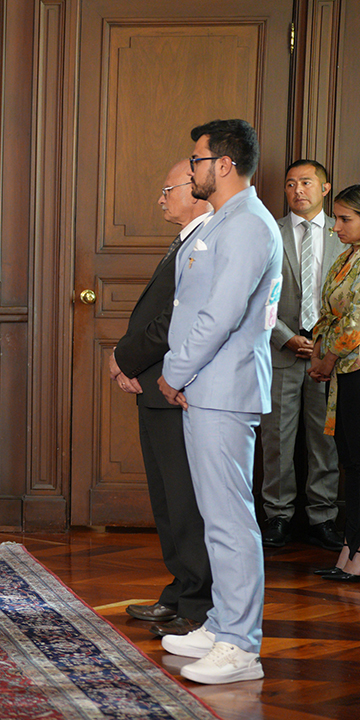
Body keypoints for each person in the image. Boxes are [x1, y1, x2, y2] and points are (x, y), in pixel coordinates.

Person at [156, 119, 281, 684]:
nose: (192, 168)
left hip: (222, 387)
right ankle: (221, 622)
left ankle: (240, 645)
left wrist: (173, 371)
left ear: (223, 165)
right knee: (216, 516)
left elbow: (220, 315)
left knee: (231, 519)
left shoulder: (248, 226)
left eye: (197, 159)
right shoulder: (228, 220)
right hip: (208, 386)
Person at [109, 160, 213, 637]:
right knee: (168, 501)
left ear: (196, 189)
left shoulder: (210, 238)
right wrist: (133, 364)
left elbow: (177, 322)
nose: (160, 198)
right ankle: (180, 590)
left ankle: (197, 606)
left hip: (180, 388)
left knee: (186, 500)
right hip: (157, 386)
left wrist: (124, 358)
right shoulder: (189, 237)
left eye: (168, 188)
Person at [260, 160, 344, 551]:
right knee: (277, 436)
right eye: (291, 184)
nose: (297, 191)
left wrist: (327, 344)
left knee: (324, 441)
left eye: (306, 183)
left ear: (325, 189)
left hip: (329, 357)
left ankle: (323, 516)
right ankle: (277, 515)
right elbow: (257, 295)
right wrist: (286, 337)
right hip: (282, 351)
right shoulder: (268, 233)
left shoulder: (343, 231)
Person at [308, 184, 360, 580]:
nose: (336, 226)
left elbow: (356, 324)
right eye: (336, 219)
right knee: (349, 462)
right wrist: (317, 349)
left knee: (358, 463)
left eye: (345, 219)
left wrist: (326, 358)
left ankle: (357, 553)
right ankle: (349, 548)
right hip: (343, 373)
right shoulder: (347, 257)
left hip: (355, 370)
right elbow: (329, 313)